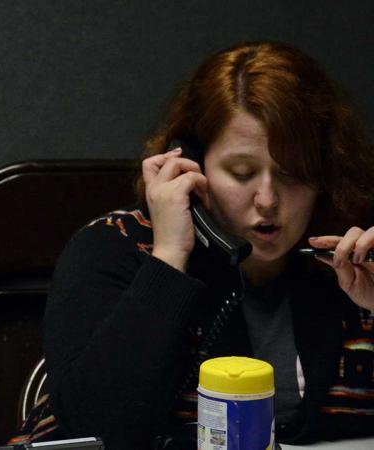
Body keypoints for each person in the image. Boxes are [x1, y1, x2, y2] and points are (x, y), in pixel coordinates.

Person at [41, 41, 374, 448]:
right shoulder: (114, 248)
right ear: (191, 165)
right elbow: (93, 427)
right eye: (240, 172)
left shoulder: (355, 253)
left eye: (293, 174)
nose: (267, 200)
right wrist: (167, 261)